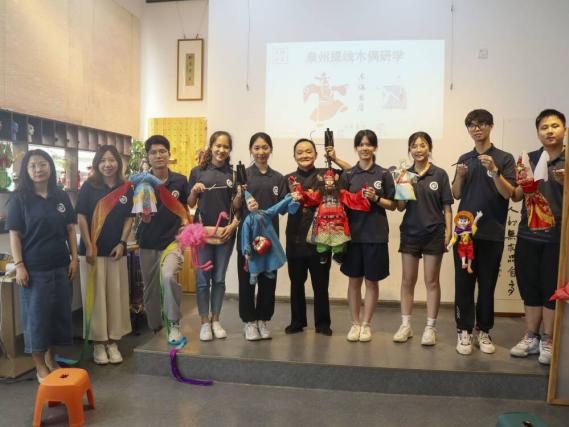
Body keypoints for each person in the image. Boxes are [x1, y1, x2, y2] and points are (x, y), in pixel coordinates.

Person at [6, 149, 78, 383]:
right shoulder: (19, 199)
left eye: (43, 164)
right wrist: (19, 265)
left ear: (50, 167)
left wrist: (74, 258)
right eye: (33, 166)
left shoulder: (61, 196)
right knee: (37, 320)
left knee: (57, 317)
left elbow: (70, 229)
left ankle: (51, 359)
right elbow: (14, 235)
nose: (38, 169)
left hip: (61, 266)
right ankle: (39, 367)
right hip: (34, 270)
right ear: (26, 171)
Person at [451, 109, 516, 355]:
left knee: (487, 285)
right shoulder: (465, 158)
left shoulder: (504, 158)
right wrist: (459, 175)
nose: (476, 129)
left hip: (493, 231)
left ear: (491, 126)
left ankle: (484, 331)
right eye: (471, 125)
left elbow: (509, 194)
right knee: (463, 283)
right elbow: (456, 193)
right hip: (464, 233)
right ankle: (464, 331)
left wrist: (495, 171)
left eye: (481, 124)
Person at [510, 109, 566, 365]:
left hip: (559, 238)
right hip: (528, 234)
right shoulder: (529, 158)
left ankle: (549, 338)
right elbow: (516, 195)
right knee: (530, 287)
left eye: (555, 126)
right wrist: (517, 180)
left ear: (564, 129)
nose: (550, 131)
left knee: (551, 289)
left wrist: (566, 183)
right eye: (544, 127)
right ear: (538, 132)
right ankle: (531, 336)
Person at [284, 139, 351, 336]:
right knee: (296, 283)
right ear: (294, 156)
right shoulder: (288, 179)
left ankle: (322, 323)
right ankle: (297, 322)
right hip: (295, 238)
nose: (304, 155)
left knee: (321, 284)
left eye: (308, 151)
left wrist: (335, 158)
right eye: (300, 152)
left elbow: (351, 172)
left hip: (322, 238)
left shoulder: (327, 174)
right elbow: (281, 206)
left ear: (315, 154)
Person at [392, 132, 453, 346]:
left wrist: (449, 232)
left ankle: (430, 328)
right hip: (410, 232)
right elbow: (400, 207)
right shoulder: (406, 174)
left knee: (431, 281)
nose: (418, 149)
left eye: (422, 145)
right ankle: (406, 325)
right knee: (407, 281)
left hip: (434, 233)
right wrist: (401, 185)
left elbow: (447, 207)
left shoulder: (440, 174)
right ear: (410, 150)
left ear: (429, 148)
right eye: (414, 146)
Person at [76, 145, 134, 364]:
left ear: (118, 163)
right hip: (92, 252)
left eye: (111, 160)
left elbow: (129, 217)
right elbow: (81, 217)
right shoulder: (89, 187)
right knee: (95, 298)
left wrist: (122, 243)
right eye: (103, 160)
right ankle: (98, 344)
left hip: (115, 252)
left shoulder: (126, 188)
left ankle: (112, 341)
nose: (107, 164)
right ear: (97, 164)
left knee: (115, 296)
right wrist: (89, 244)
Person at [339, 130, 396, 342]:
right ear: (356, 148)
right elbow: (340, 203)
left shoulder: (383, 174)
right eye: (361, 144)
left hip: (376, 235)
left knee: (372, 282)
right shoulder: (348, 175)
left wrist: (376, 198)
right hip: (352, 237)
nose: (365, 148)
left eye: (369, 144)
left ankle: (366, 325)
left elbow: (394, 205)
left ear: (375, 147)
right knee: (354, 282)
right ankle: (355, 323)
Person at [233, 133, 288, 341]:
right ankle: (249, 322)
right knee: (247, 281)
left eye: (265, 147)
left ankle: (263, 320)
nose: (261, 152)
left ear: (270, 149)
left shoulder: (278, 178)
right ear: (250, 150)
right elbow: (235, 207)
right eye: (256, 148)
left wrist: (293, 198)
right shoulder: (243, 175)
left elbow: (283, 208)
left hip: (269, 240)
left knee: (268, 281)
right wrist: (240, 194)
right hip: (247, 240)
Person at [137, 135, 190, 343]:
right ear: (148, 157)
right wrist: (144, 215)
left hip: (172, 241)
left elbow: (185, 208)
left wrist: (185, 226)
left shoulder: (180, 180)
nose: (158, 155)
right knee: (150, 288)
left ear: (168, 154)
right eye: (153, 152)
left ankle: (174, 323)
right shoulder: (142, 182)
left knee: (168, 277)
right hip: (147, 241)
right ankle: (156, 327)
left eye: (162, 151)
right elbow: (141, 214)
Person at [188, 131, 240, 341]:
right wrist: (194, 190)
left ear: (230, 150)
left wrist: (233, 224)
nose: (221, 150)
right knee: (202, 280)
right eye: (218, 145)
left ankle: (216, 320)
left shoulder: (234, 175)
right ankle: (204, 323)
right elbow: (191, 203)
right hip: (201, 233)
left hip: (225, 234)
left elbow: (237, 207)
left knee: (219, 278)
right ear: (211, 146)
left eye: (226, 146)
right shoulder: (197, 171)